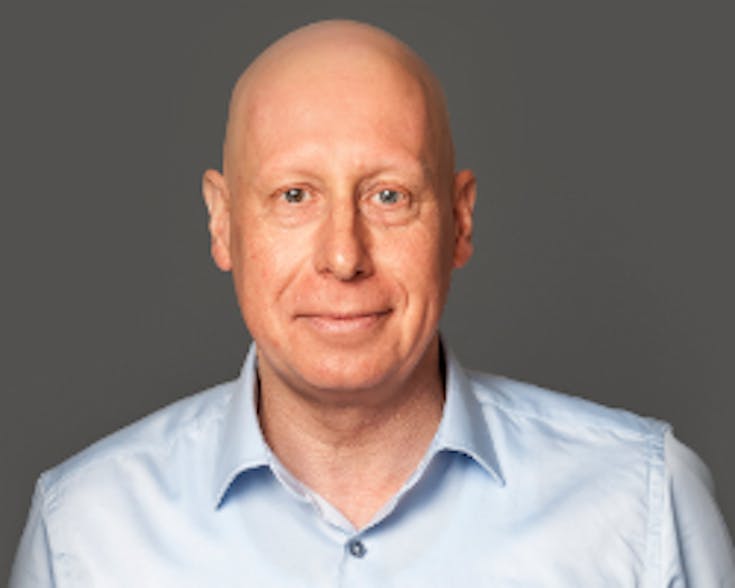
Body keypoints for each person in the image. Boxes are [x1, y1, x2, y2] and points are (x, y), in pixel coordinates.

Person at [10, 19, 734, 587]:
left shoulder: (642, 503)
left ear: (460, 220)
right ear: (222, 223)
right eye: (294, 196)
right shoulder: (84, 533)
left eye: (388, 196)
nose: (343, 256)